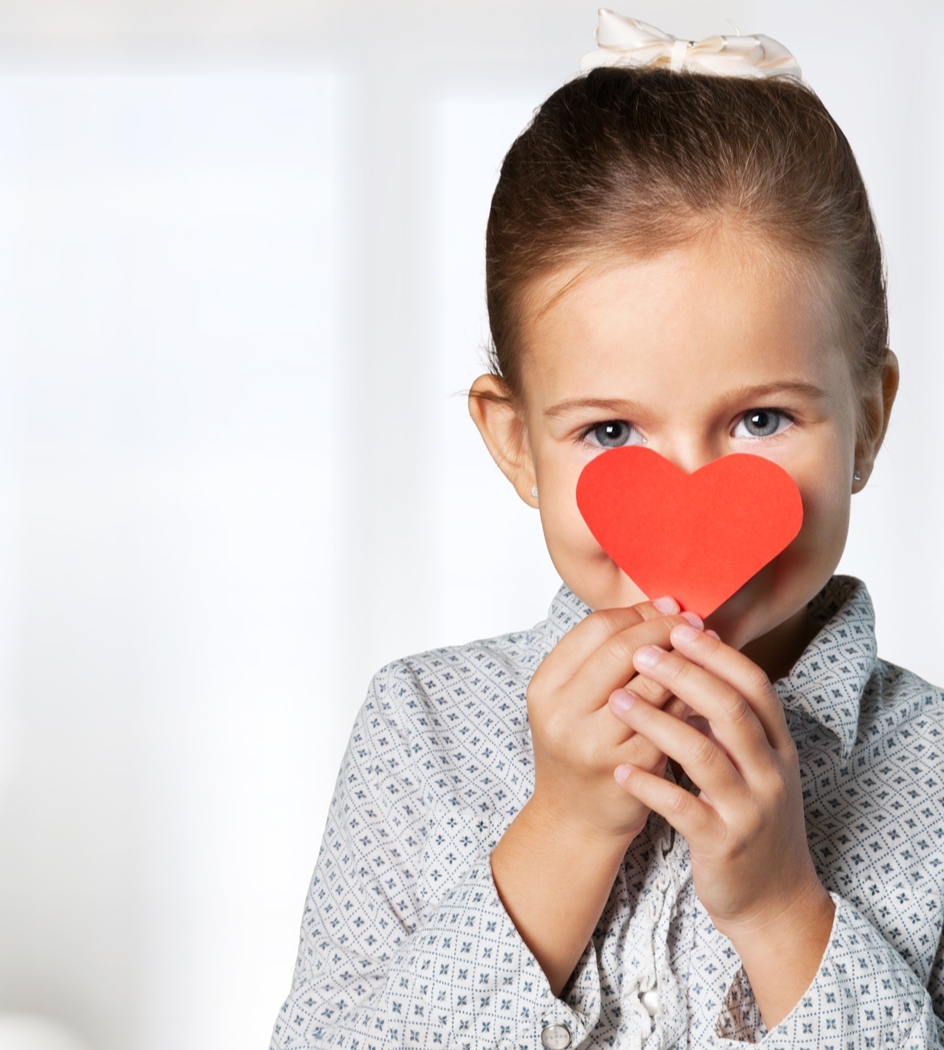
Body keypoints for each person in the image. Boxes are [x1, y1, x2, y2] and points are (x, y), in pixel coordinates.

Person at [270, 11, 942, 1049]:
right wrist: (564, 831)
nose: (686, 490)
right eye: (610, 429)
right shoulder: (422, 733)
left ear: (869, 421)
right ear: (515, 444)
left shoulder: (933, 776)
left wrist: (778, 909)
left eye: (761, 419)